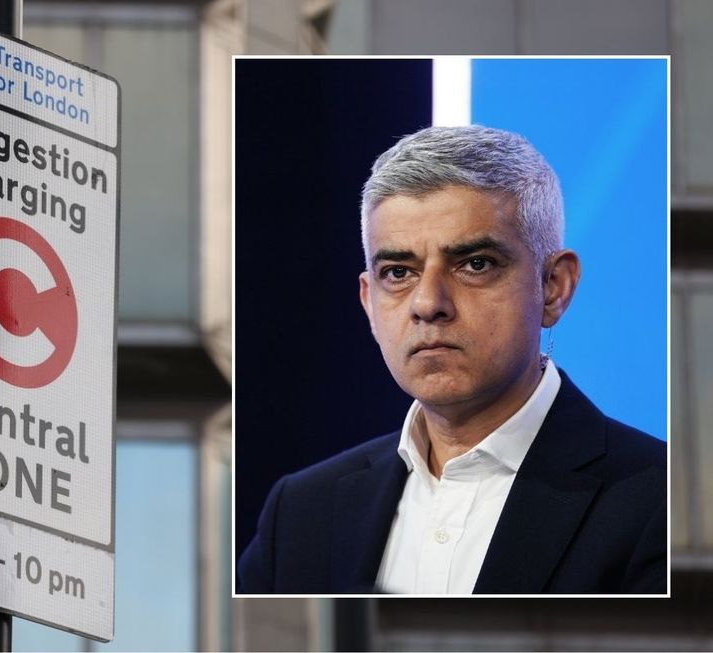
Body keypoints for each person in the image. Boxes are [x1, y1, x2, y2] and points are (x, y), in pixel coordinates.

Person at [237, 125, 666, 595]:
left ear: (553, 287)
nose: (427, 303)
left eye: (475, 264)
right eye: (397, 272)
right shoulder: (300, 515)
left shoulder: (664, 504)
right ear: (369, 303)